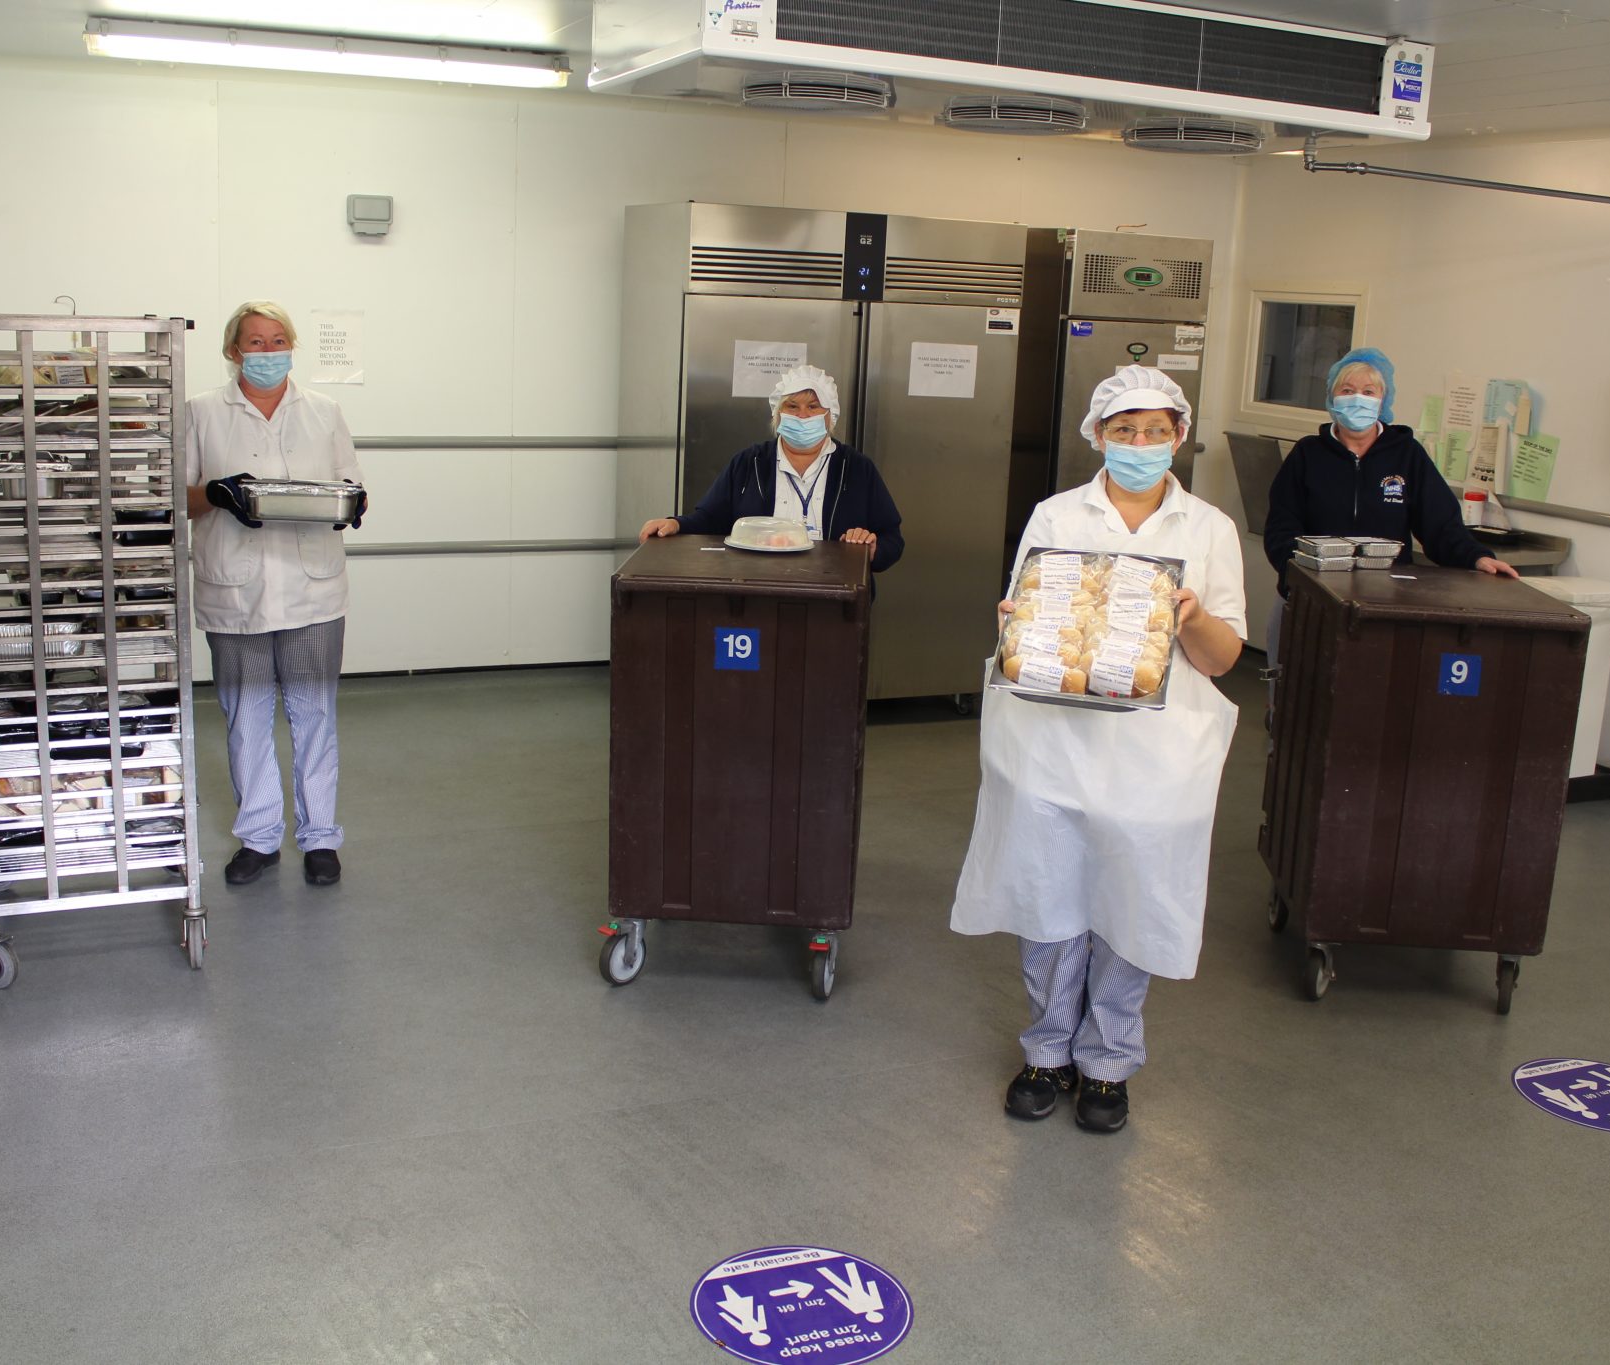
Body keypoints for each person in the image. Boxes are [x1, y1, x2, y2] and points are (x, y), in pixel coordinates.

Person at [949, 366, 1246, 1135]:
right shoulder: (1056, 515)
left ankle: (1109, 1062)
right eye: (1125, 431)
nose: (1141, 445)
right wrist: (1016, 619)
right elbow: (1022, 632)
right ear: (1099, 437)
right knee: (1049, 894)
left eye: (1156, 431)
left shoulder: (1207, 530)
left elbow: (1221, 659)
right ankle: (1047, 1049)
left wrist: (1189, 617)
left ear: (1180, 436)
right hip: (1053, 741)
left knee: (1133, 901)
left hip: (1158, 752)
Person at [185, 301, 366, 888]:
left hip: (312, 591)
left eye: (277, 339)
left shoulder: (324, 411)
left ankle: (320, 838)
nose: (267, 351)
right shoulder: (201, 413)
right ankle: (259, 839)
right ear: (233, 351)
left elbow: (351, 487)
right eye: (254, 342)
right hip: (234, 592)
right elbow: (174, 499)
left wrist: (354, 505)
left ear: (292, 346)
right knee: (246, 718)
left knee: (314, 715)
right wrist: (213, 494)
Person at [1262, 347, 1517, 664]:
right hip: (1312, 598)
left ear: (1384, 400)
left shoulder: (1406, 454)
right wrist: (1301, 578)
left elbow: (1440, 525)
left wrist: (1477, 557)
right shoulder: (1307, 455)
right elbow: (1281, 529)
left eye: (1369, 392)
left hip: (1384, 603)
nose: (1358, 399)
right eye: (1347, 390)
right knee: (1296, 693)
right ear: (1331, 398)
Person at [639, 364, 903, 573]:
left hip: (835, 603)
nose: (802, 415)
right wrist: (675, 524)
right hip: (757, 595)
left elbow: (892, 539)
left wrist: (872, 548)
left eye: (813, 407)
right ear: (777, 414)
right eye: (792, 406)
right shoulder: (748, 463)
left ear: (830, 415)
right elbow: (709, 520)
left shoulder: (856, 468)